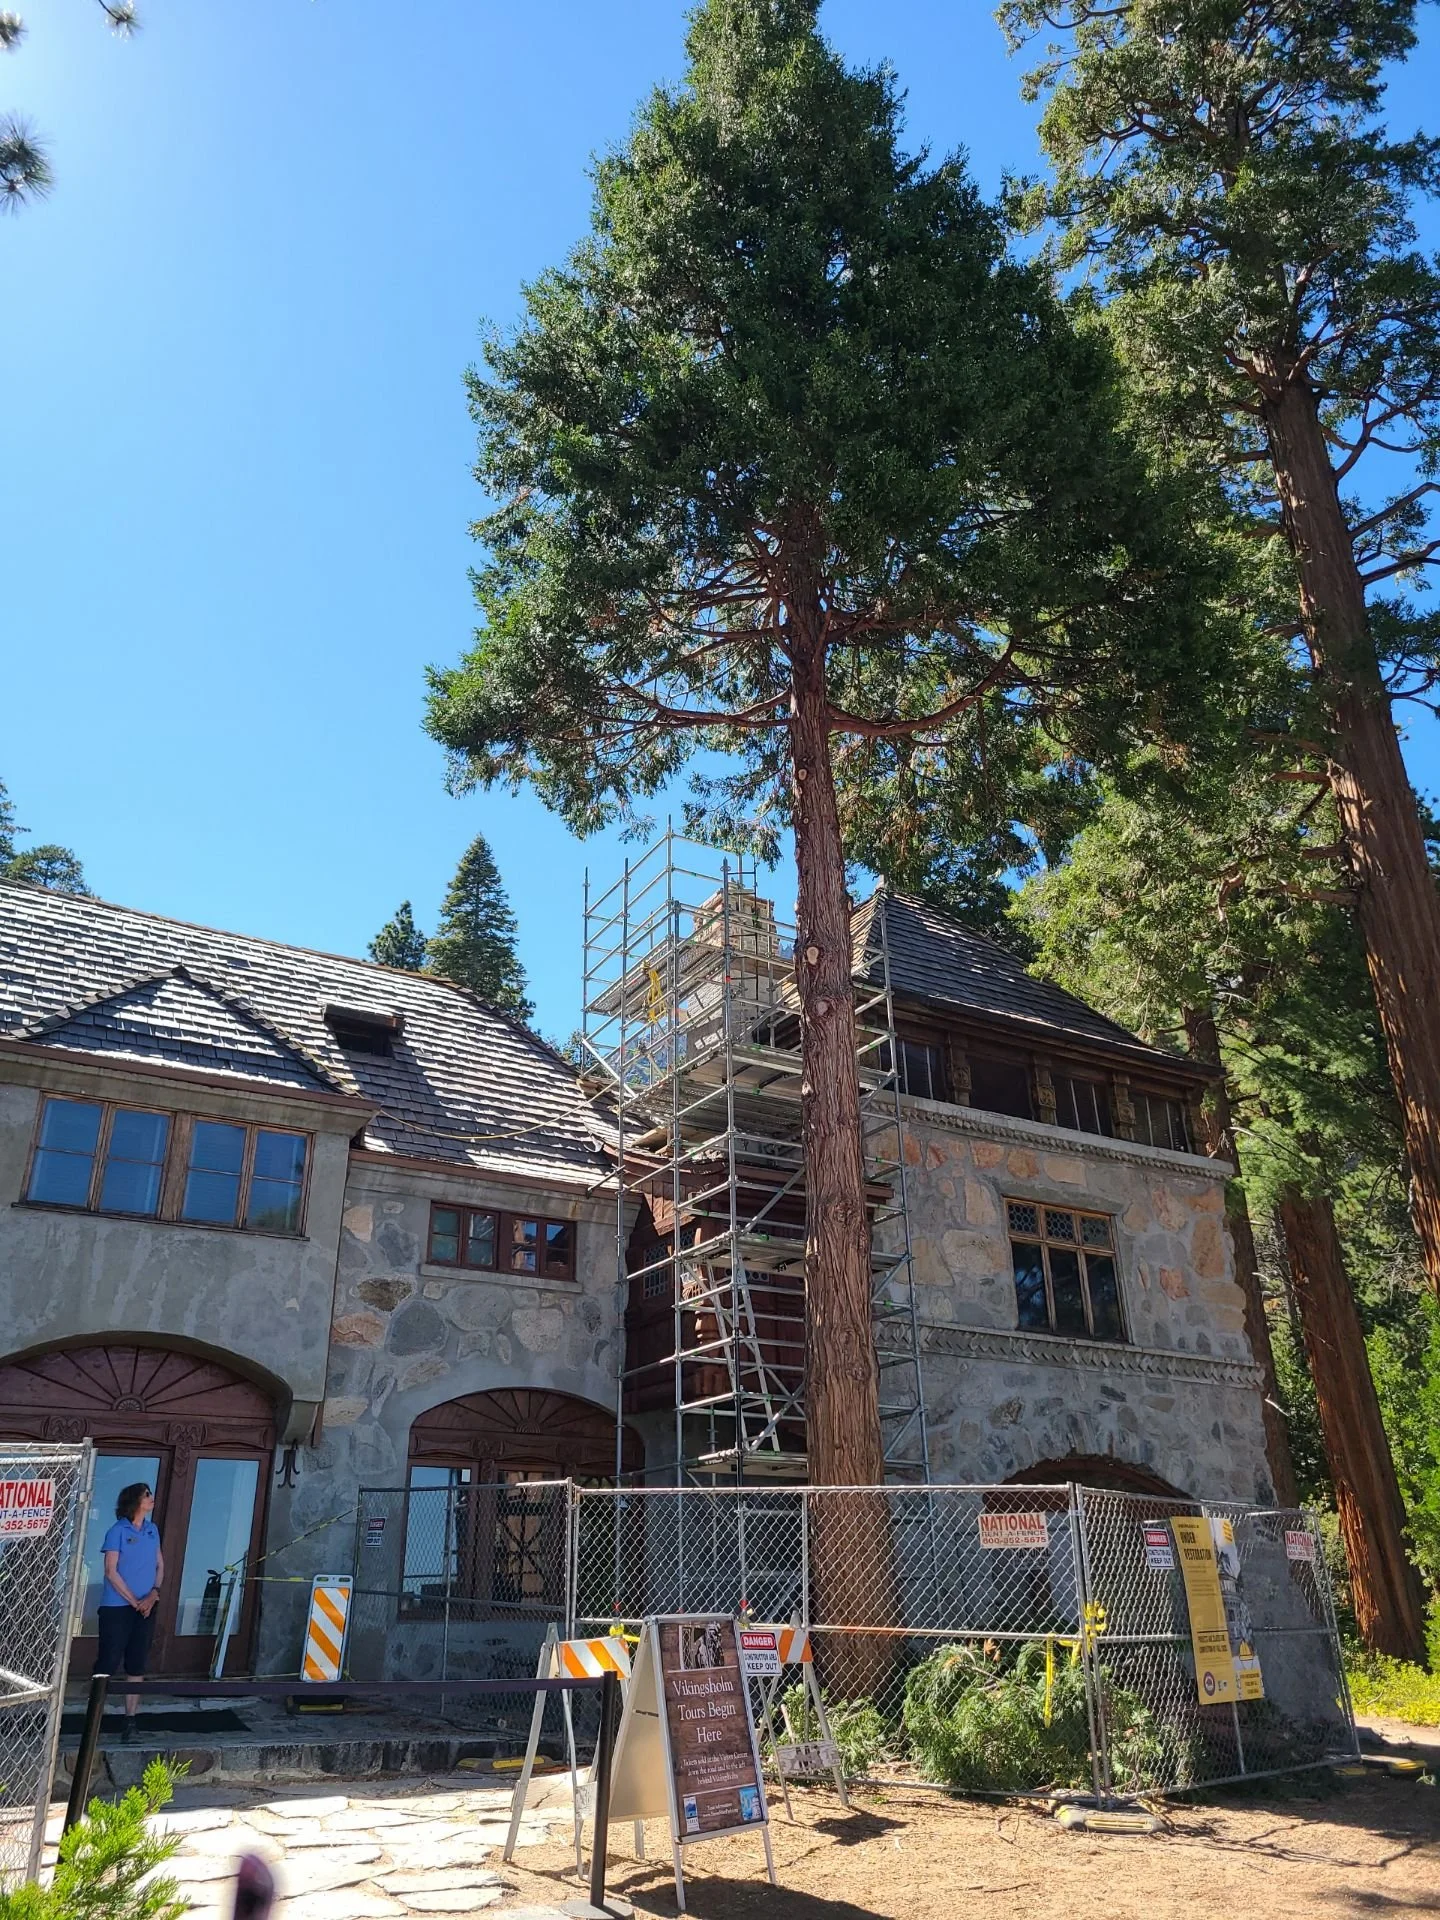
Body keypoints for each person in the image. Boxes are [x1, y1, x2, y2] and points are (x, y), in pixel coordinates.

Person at [97, 1482, 163, 1741]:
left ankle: (130, 1719)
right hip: (117, 1607)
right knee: (108, 1660)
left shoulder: (152, 1530)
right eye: (146, 1495)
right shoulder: (117, 1531)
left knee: (137, 1662)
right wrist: (135, 1601)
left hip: (146, 1607)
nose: (151, 1498)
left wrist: (154, 1594)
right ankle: (95, 1716)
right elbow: (110, 1571)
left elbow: (159, 1564)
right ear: (134, 1500)